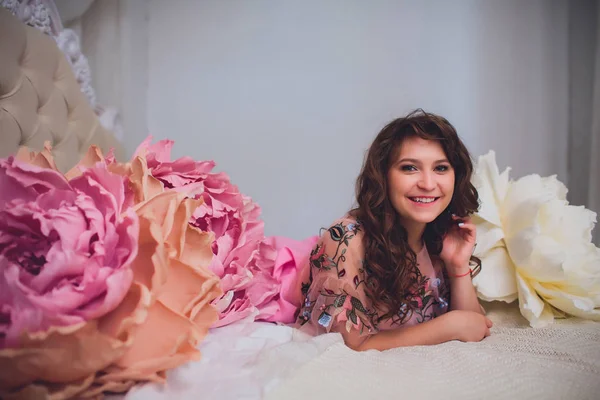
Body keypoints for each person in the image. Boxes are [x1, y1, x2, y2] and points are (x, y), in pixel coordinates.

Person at [292, 109, 493, 351]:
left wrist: (457, 266)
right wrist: (446, 327)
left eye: (440, 168)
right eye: (409, 168)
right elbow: (350, 345)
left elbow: (474, 326)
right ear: (383, 176)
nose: (428, 184)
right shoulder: (346, 240)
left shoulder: (440, 234)